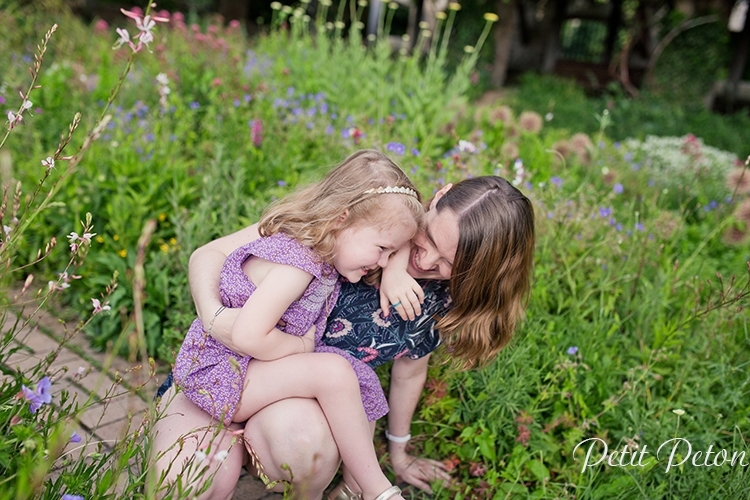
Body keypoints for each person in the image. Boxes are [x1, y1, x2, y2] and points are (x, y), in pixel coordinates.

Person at [150, 174, 536, 500]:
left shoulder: (435, 300)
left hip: (292, 412)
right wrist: (216, 318)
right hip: (221, 376)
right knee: (188, 481)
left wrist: (398, 452)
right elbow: (210, 253)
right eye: (430, 239)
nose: (428, 261)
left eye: (452, 262)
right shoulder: (368, 220)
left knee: (302, 442)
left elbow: (410, 373)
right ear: (435, 197)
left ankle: (315, 477)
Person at [158, 150, 424, 500]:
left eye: (392, 254)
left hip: (246, 375)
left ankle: (356, 486)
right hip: (221, 376)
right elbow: (247, 334)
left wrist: (394, 266)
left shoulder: (328, 252)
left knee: (357, 379)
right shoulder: (298, 263)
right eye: (382, 250)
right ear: (341, 219)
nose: (382, 261)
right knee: (333, 372)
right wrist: (300, 348)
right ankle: (378, 491)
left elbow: (401, 223)